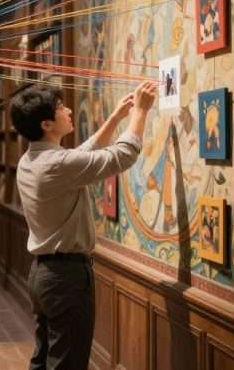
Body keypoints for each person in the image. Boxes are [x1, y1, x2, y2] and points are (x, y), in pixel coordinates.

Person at [11, 80, 155, 370]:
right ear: (46, 124)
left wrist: (115, 118)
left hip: (44, 274)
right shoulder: (55, 165)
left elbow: (81, 155)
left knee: (44, 359)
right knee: (67, 364)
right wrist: (141, 112)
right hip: (66, 278)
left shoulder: (32, 159)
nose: (68, 110)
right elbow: (121, 156)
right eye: (61, 107)